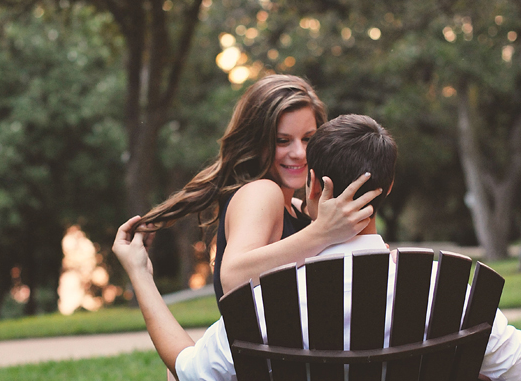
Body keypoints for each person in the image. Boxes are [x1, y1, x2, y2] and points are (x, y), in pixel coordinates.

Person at [113, 115, 521, 381]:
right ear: (389, 186)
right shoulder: (444, 291)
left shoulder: (271, 302)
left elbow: (191, 375)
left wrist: (141, 275)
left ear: (310, 183)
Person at [133, 74, 382, 301]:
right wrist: (322, 233)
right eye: (282, 141)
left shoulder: (298, 209)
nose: (299, 152)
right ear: (255, 142)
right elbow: (233, 276)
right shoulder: (262, 192)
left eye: (308, 138)